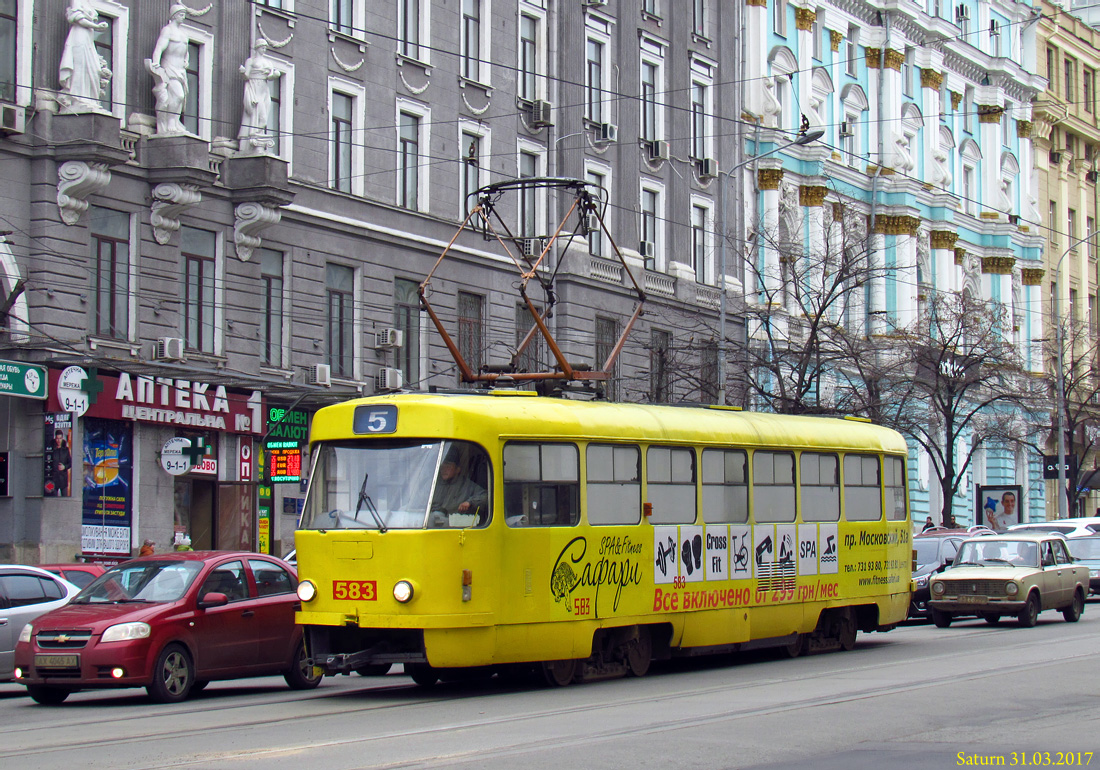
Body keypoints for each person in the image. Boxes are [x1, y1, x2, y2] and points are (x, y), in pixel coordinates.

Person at [145, 3, 191, 135]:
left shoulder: (184, 33)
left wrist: (186, 60)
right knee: (178, 95)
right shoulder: (168, 30)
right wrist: (155, 63)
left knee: (181, 99)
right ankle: (170, 122)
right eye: (181, 15)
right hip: (170, 68)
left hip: (181, 70)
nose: (183, 17)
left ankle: (175, 122)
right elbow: (159, 48)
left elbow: (186, 51)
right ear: (174, 16)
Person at [58, 0, 111, 113]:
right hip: (79, 37)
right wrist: (96, 26)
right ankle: (78, 100)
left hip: (88, 39)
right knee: (80, 66)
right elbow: (79, 19)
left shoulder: (88, 3)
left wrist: (96, 27)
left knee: (93, 69)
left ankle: (90, 100)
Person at [237, 39, 279, 154]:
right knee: (256, 114)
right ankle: (252, 138)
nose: (264, 49)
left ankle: (256, 135)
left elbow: (271, 76)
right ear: (257, 48)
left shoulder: (268, 62)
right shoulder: (250, 61)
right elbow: (246, 76)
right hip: (254, 86)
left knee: (264, 119)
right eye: (262, 47)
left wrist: (274, 75)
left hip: (264, 90)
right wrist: (242, 72)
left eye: (265, 47)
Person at [430, 449, 488, 518]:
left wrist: (470, 502)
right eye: (442, 466)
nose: (444, 469)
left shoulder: (467, 485)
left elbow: (485, 496)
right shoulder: (432, 484)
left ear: (457, 469)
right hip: (431, 522)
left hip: (454, 523)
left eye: (448, 466)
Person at [51, 430, 72, 497]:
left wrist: (64, 467)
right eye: (57, 438)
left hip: (63, 479)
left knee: (65, 499)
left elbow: (70, 463)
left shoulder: (66, 450)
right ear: (55, 439)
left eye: (60, 438)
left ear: (62, 439)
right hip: (54, 479)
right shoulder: (52, 450)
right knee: (53, 498)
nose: (58, 440)